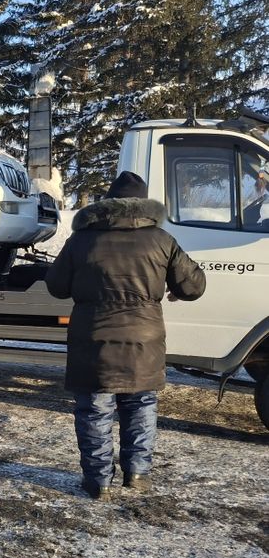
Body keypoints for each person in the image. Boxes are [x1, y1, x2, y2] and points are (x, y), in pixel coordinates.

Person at [45, 171, 206, 501]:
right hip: (144, 342)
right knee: (141, 406)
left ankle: (98, 481)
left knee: (94, 410)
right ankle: (137, 474)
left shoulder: (82, 240)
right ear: (145, 206)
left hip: (93, 340)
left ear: (108, 204)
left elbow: (56, 286)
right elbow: (194, 286)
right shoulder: (161, 240)